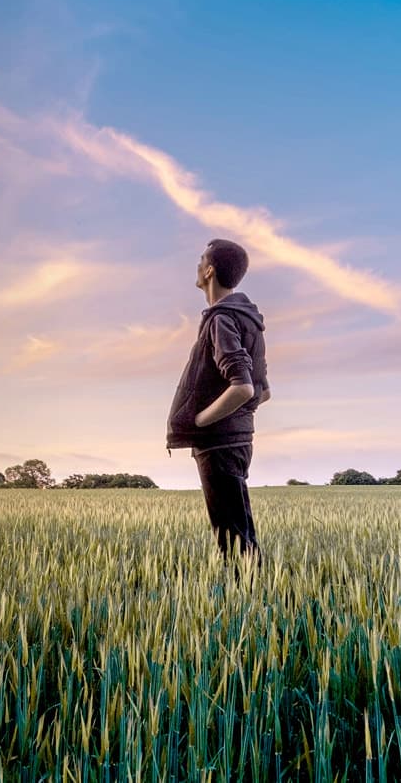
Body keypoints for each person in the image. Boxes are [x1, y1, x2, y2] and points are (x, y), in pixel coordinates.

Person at [166, 238, 270, 572]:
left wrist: (200, 421)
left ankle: (250, 608)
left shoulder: (221, 320)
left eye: (200, 260)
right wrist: (239, 418)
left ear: (209, 270)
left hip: (220, 443)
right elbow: (262, 392)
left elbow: (243, 387)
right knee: (239, 533)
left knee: (232, 540)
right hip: (238, 440)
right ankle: (256, 600)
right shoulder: (249, 320)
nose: (196, 265)